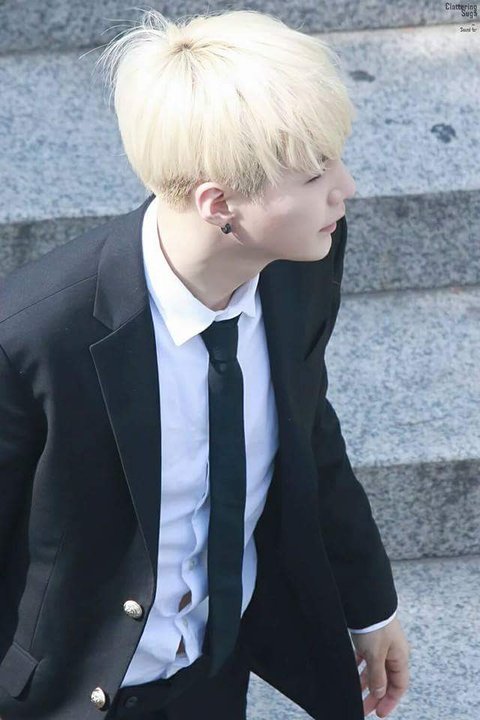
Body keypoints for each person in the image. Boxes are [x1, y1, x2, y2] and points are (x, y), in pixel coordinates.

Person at [0, 8, 410, 720]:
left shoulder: (300, 263)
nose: (345, 187)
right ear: (219, 204)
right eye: (316, 173)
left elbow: (309, 426)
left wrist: (370, 607)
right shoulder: (33, 337)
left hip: (212, 679)